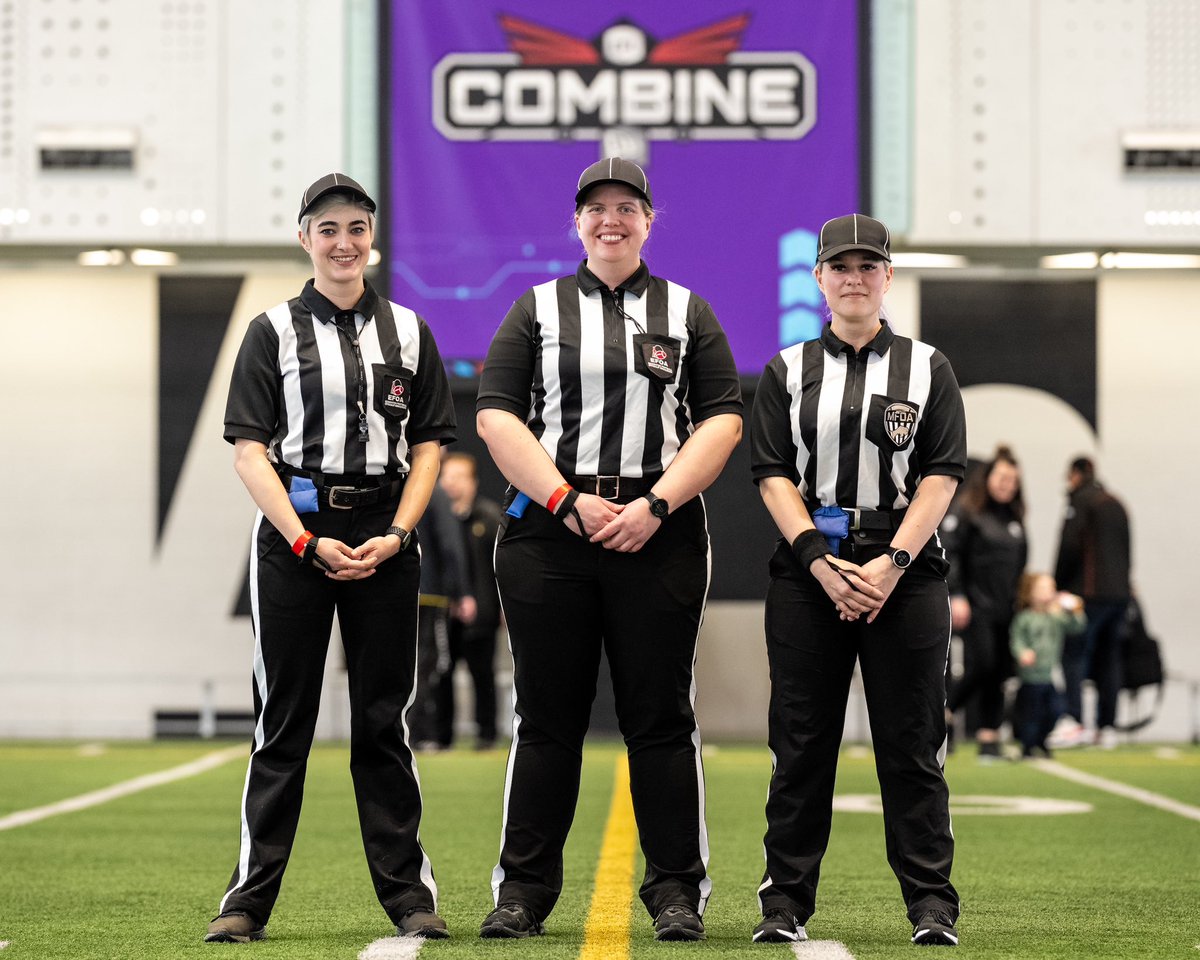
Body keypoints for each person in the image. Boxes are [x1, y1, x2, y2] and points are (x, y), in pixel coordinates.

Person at [474, 157, 742, 942]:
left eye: (627, 207)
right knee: (546, 718)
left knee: (659, 717)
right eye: (596, 209)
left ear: (649, 221)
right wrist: (566, 500)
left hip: (658, 533)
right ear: (577, 222)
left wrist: (656, 503)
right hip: (551, 532)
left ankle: (675, 892)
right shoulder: (537, 308)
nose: (611, 220)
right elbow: (496, 416)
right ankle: (523, 892)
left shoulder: (687, 311)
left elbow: (721, 421)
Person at [208, 173, 456, 943]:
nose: (343, 242)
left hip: (386, 530)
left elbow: (429, 446)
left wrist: (402, 533)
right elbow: (251, 453)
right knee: (283, 721)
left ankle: (411, 897)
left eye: (356, 227)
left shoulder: (410, 332)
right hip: (295, 533)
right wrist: (304, 538)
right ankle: (247, 901)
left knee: (384, 722)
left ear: (371, 237)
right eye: (328, 228)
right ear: (304, 237)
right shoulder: (270, 331)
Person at [749, 214, 966, 947]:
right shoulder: (785, 369)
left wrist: (892, 565)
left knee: (911, 743)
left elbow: (941, 477)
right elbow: (772, 475)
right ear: (817, 278)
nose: (854, 277)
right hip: (811, 569)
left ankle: (932, 904)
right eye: (840, 266)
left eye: (868, 266)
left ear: (887, 277)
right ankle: (784, 904)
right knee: (802, 743)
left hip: (903, 568)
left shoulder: (928, 366)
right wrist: (817, 559)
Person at [941, 447, 1028, 760]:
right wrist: (958, 593)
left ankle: (988, 739)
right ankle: (945, 713)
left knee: (1001, 670)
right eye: (1003, 478)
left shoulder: (1014, 519)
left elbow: (1020, 564)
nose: (1008, 484)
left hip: (1006, 607)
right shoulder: (968, 512)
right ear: (988, 478)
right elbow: (951, 553)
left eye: (1013, 480)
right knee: (984, 663)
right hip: (976, 604)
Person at [1051, 456, 1132, 749]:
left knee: (1073, 655)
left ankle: (1074, 721)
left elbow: (1069, 546)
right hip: (1119, 596)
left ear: (1075, 474)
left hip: (1088, 594)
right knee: (1109, 659)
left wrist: (1057, 585)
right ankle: (1107, 727)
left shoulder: (1081, 501)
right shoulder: (1117, 503)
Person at [436, 451, 504, 750]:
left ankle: (487, 734)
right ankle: (441, 737)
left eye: (459, 477)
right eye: (447, 477)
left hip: (483, 612)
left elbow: (500, 570)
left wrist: (501, 607)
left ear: (473, 482)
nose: (452, 484)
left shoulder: (489, 518)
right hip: (442, 612)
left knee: (483, 674)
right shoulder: (435, 520)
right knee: (441, 675)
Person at [408, 482, 470, 750]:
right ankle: (419, 734)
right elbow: (450, 543)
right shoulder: (435, 491)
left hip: (399, 590)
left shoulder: (399, 483)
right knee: (427, 664)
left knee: (403, 664)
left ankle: (399, 731)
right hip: (431, 593)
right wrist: (460, 591)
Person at [1010, 572, 1085, 758]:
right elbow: (1016, 640)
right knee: (1031, 714)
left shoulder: (1056, 617)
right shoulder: (1024, 618)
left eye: (1050, 588)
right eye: (1042, 588)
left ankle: (1042, 740)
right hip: (1030, 677)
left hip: (1049, 675)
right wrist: (1022, 653)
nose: (1047, 593)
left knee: (1056, 710)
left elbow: (1077, 627)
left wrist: (1075, 609)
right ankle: (1028, 745)